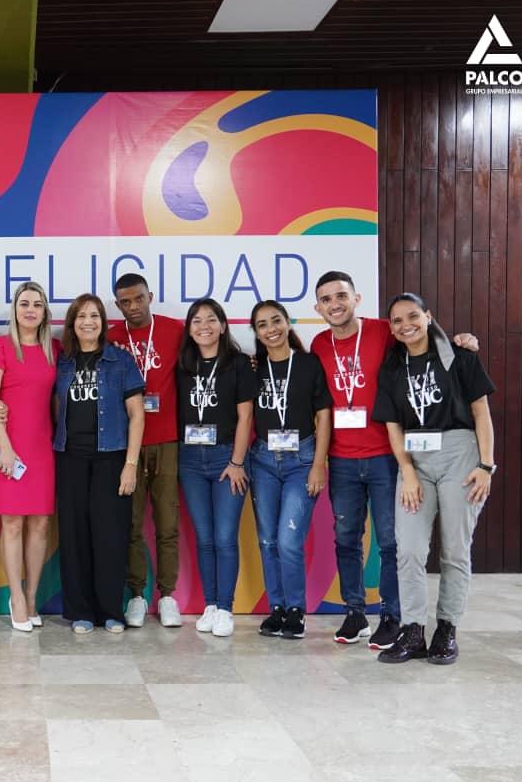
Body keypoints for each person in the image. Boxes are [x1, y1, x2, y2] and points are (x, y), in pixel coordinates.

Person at [311, 271, 478, 650]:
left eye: (341, 296)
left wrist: (461, 340)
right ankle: (355, 612)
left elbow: (422, 333)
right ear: (317, 308)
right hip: (341, 459)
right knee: (346, 539)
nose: (334, 304)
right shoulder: (319, 345)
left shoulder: (384, 330)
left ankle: (392, 615)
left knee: (392, 542)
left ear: (356, 298)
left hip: (389, 456)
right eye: (326, 299)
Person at [372, 293, 495, 665]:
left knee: (455, 550)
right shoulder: (392, 368)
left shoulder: (461, 357)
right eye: (396, 320)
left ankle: (446, 628)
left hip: (460, 452)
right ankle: (413, 631)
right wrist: (407, 472)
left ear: (428, 316)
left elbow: (481, 413)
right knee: (408, 549)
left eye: (413, 316)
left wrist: (486, 465)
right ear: (391, 328)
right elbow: (393, 426)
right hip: (415, 459)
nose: (405, 324)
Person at [54, 294, 145, 633]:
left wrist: (131, 464)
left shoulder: (120, 361)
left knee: (110, 535)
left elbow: (137, 416)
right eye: (81, 316)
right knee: (74, 534)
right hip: (70, 457)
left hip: (112, 458)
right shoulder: (62, 362)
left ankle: (110, 611)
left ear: (104, 322)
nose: (88, 321)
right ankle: (80, 611)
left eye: (94, 315)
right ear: (72, 324)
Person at [249, 300, 333, 640]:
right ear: (255, 332)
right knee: (267, 540)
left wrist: (318, 465)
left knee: (288, 540)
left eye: (276, 321)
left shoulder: (309, 364)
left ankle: (296, 609)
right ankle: (278, 608)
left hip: (302, 460)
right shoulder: (253, 370)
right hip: (263, 461)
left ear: (288, 322)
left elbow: (324, 416)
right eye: (262, 325)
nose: (271, 329)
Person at [0, 281, 61, 632]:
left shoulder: (54, 349)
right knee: (12, 523)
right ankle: (15, 598)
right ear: (14, 310)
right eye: (24, 303)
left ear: (45, 312)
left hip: (43, 448)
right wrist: (6, 448)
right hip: (7, 448)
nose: (31, 310)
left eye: (37, 304)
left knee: (40, 524)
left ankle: (31, 598)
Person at [176, 299, 258, 638]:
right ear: (189, 329)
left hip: (228, 458)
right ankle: (210, 604)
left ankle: (226, 606)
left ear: (223, 326)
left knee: (225, 537)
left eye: (211, 319)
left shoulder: (238, 364)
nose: (204, 326)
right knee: (205, 537)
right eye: (196, 321)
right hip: (190, 460)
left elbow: (245, 417)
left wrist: (237, 462)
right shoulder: (182, 363)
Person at [109, 273, 185, 628]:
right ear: (117, 304)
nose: (133, 307)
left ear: (150, 296)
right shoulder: (111, 336)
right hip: (128, 445)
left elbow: (211, 356)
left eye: (138, 299)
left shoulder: (174, 330)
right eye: (125, 302)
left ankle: (167, 595)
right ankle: (137, 594)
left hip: (167, 440)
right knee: (132, 524)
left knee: (168, 524)